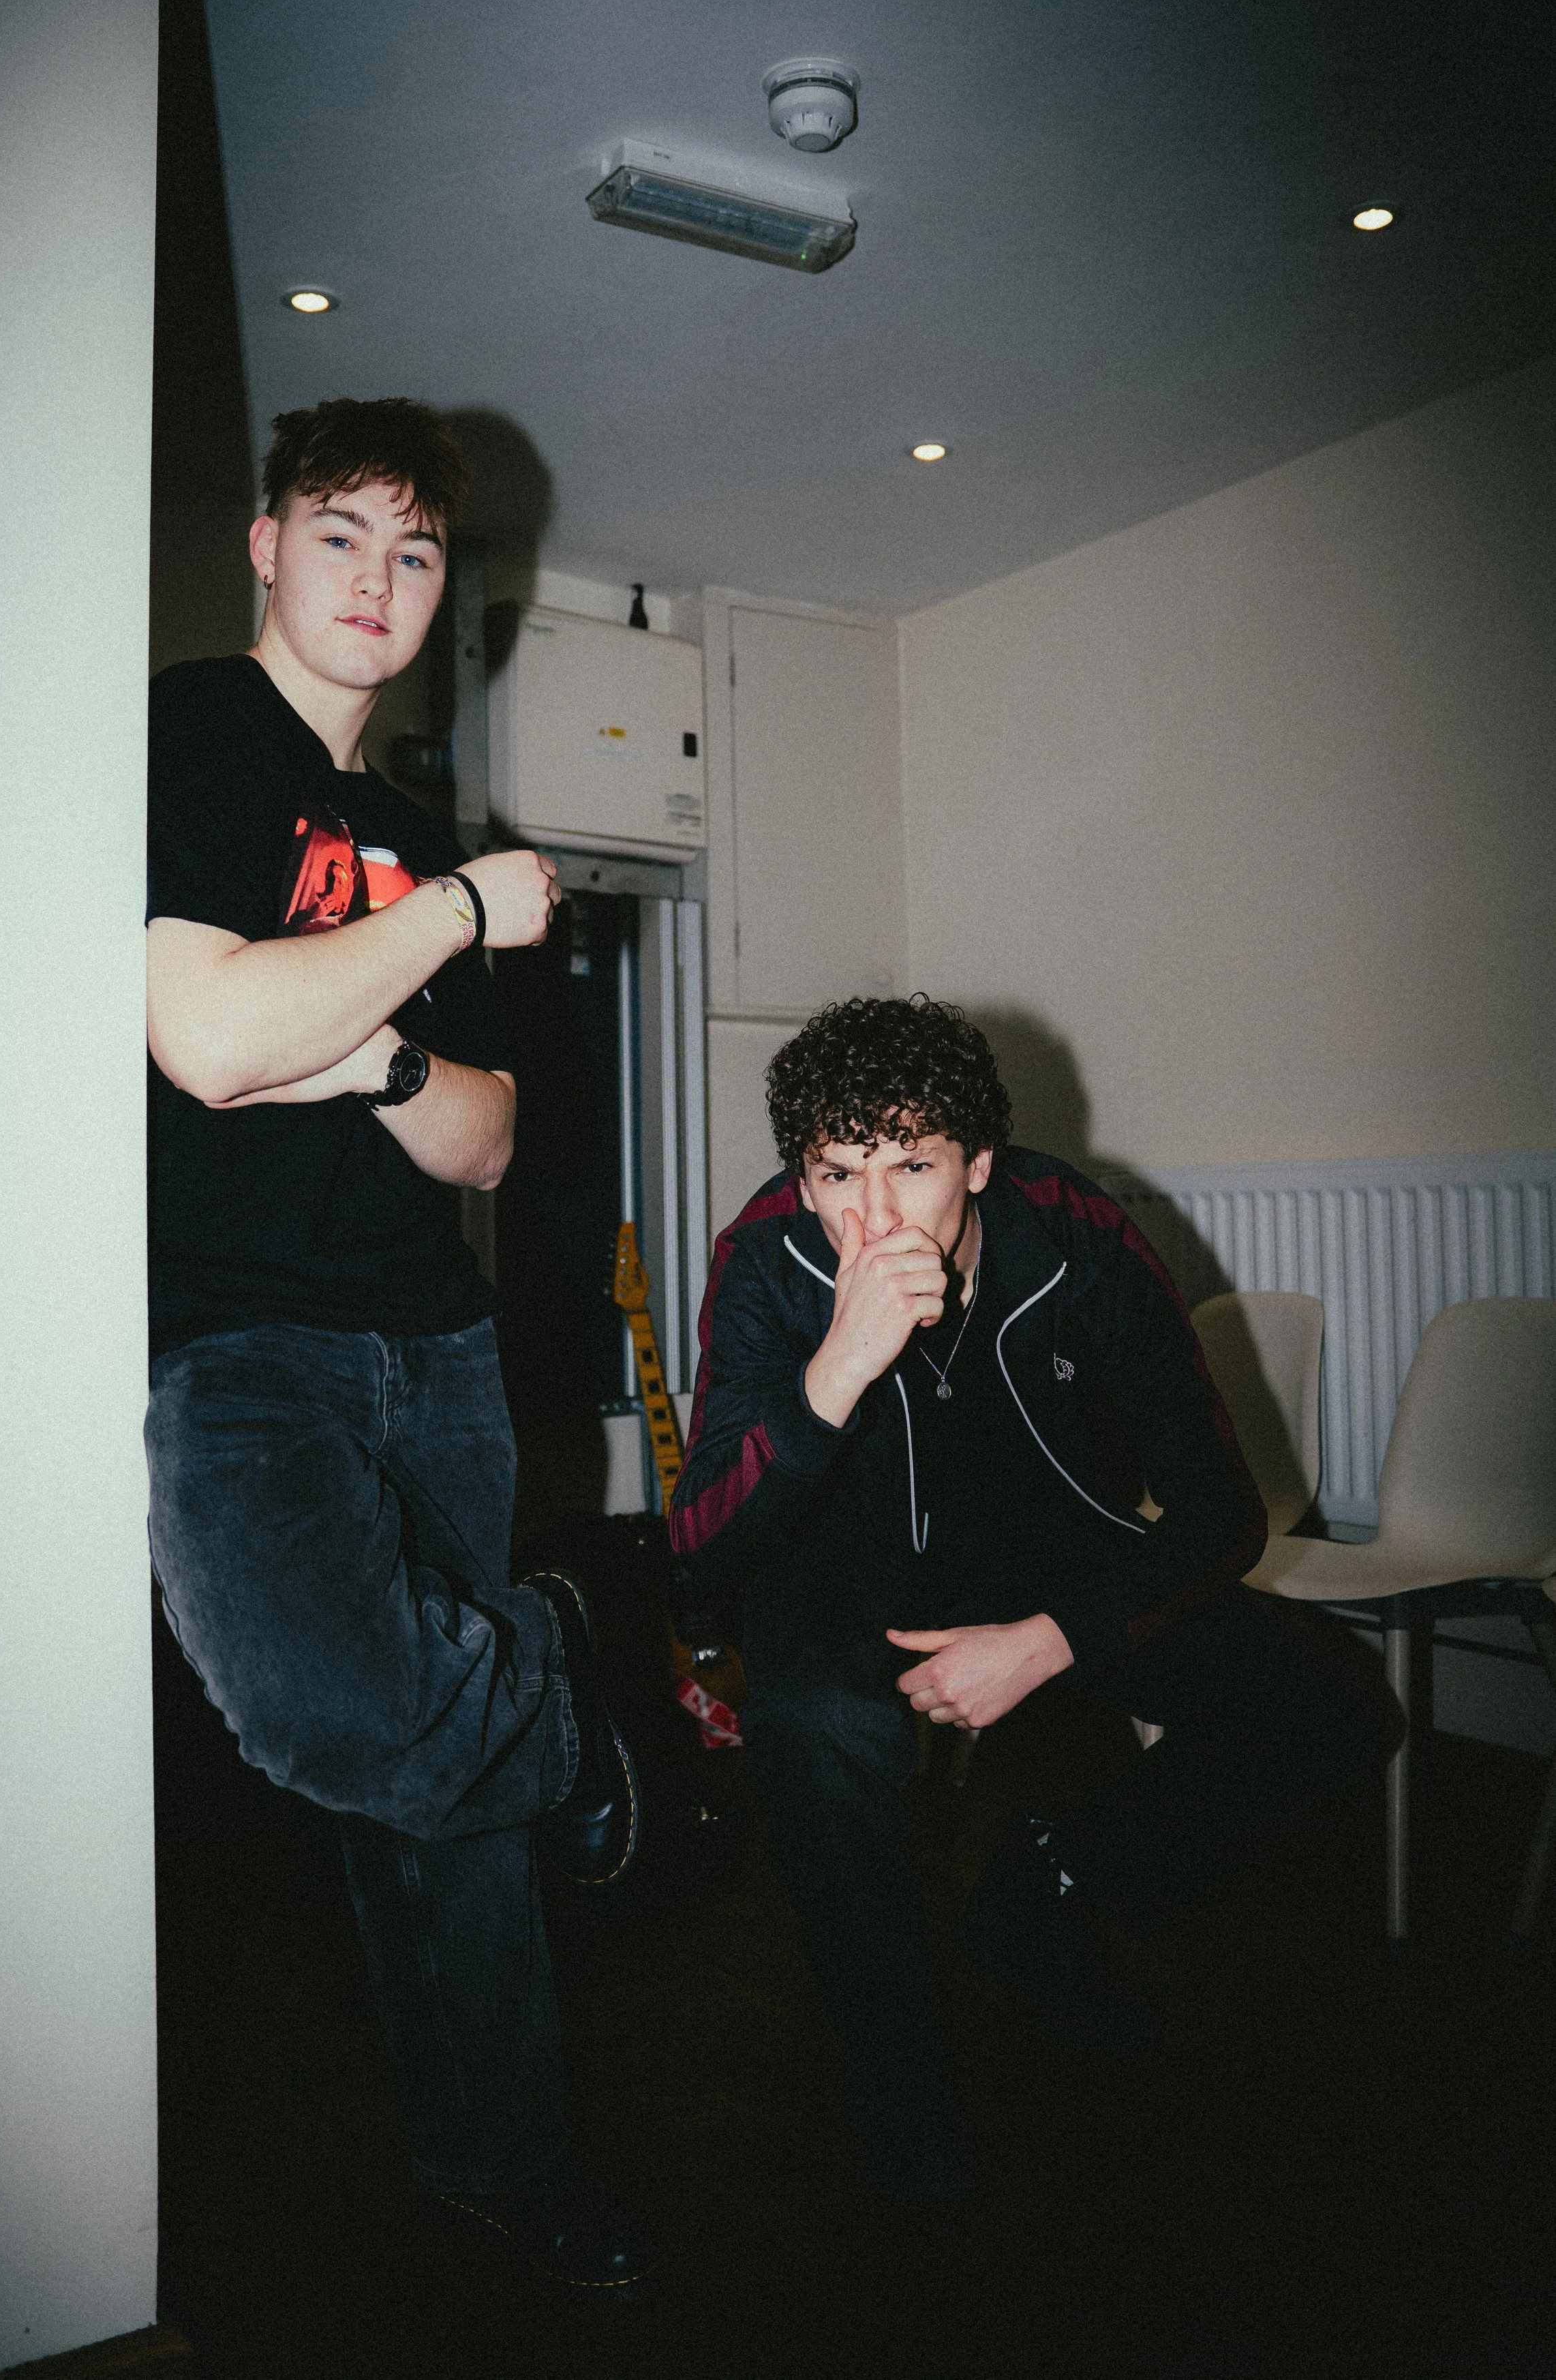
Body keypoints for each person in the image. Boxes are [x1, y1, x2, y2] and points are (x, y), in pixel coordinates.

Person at [145, 395, 649, 2287]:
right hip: (240, 1340)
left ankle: (503, 2159)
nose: (378, 578)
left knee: (431, 1812)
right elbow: (200, 1034)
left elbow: (486, 1136)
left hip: (430, 1343)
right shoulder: (194, 731)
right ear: (265, 544)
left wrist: (360, 1043)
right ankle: (564, 1683)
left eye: (417, 549)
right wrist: (444, 917)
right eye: (341, 533)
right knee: (329, 1706)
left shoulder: (418, 822)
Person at [669, 995, 1379, 2195]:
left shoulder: (1072, 1230)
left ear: (980, 1163)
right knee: (818, 1723)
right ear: (802, 1173)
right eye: (837, 1172)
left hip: (1046, 1568)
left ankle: (1053, 1880)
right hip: (841, 1576)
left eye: (913, 1165)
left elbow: (1222, 1510)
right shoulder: (770, 1258)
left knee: (1336, 1704)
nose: (874, 1216)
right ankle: (899, 2092)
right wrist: (836, 1364)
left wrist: (1052, 1640)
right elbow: (696, 1554)